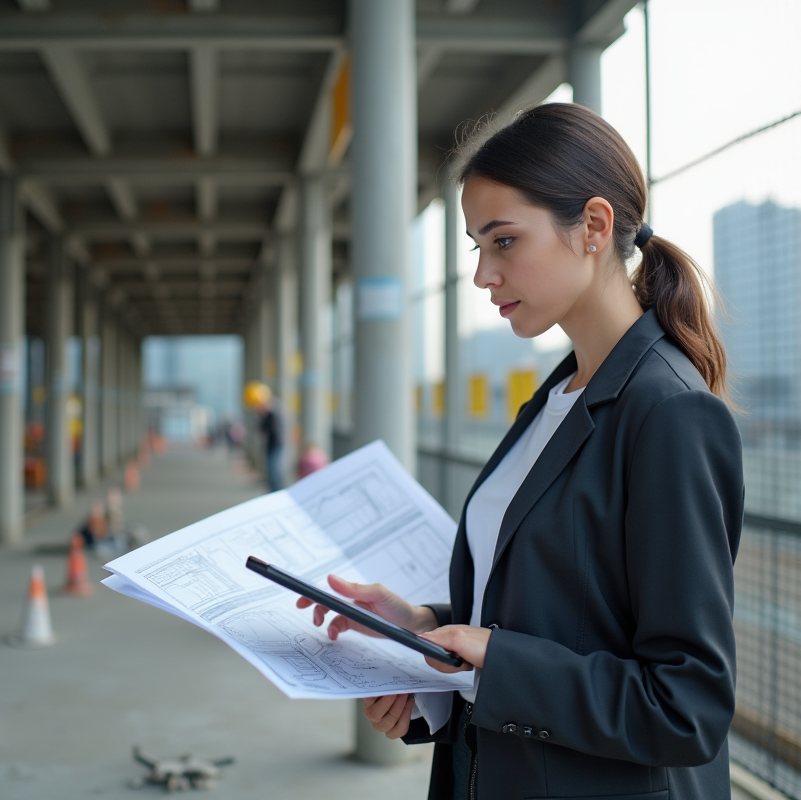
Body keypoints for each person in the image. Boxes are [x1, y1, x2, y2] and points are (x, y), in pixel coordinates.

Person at [298, 103, 744, 799]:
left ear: (594, 226)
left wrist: (494, 666)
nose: (483, 275)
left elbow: (687, 706)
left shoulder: (669, 413)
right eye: (478, 247)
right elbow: (553, 617)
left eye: (504, 241)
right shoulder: (555, 398)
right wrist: (427, 634)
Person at [257, 394, 284, 492]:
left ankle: (276, 489)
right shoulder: (269, 415)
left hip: (275, 444)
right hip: (271, 445)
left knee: (273, 468)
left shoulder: (273, 414)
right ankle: (274, 488)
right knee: (271, 468)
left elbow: (267, 429)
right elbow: (261, 429)